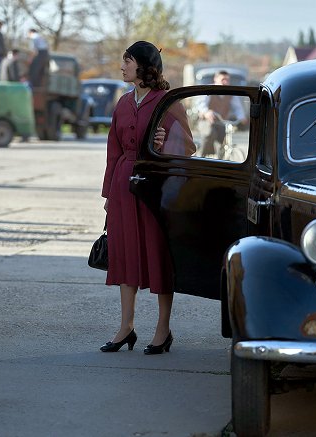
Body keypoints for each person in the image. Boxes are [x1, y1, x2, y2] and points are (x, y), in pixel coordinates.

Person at [100, 41, 181, 355]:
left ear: (144, 66)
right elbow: (113, 152)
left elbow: (187, 147)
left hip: (154, 189)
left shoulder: (168, 101)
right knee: (123, 254)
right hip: (123, 186)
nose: (122, 67)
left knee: (157, 255)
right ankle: (126, 327)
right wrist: (108, 194)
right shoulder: (122, 103)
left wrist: (165, 142)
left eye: (127, 61)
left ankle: (163, 329)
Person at [197, 70, 247, 158]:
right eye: (223, 79)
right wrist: (206, 112)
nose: (225, 82)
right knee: (209, 133)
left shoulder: (230, 92)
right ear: (215, 79)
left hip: (222, 122)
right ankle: (201, 156)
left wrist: (242, 117)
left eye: (227, 80)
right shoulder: (209, 89)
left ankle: (221, 159)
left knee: (225, 138)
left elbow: (237, 107)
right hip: (207, 121)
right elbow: (201, 104)